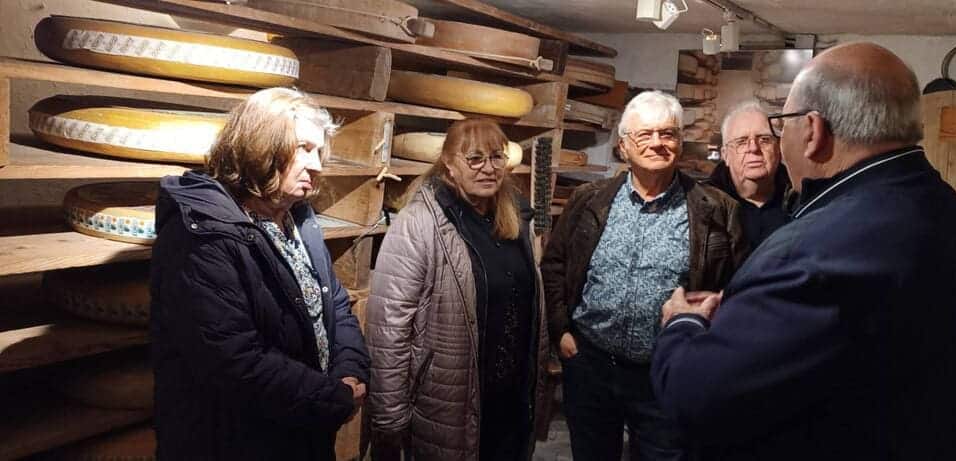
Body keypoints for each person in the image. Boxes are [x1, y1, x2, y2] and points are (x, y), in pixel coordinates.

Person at [653, 42, 956, 461]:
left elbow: (695, 396)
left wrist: (683, 324)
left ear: (813, 130)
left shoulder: (815, 249)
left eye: (780, 125)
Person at [150, 87, 370, 460]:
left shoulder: (298, 219)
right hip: (232, 441)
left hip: (299, 428)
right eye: (303, 147)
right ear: (259, 146)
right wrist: (332, 397)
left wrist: (350, 370)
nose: (316, 165)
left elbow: (334, 304)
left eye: (318, 152)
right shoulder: (202, 234)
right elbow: (235, 360)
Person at [541, 90, 746, 461]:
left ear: (680, 143)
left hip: (666, 372)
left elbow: (735, 290)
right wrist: (561, 331)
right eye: (645, 134)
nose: (657, 143)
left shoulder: (716, 209)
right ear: (623, 146)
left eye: (668, 134)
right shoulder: (589, 200)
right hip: (591, 365)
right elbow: (555, 264)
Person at [366, 119, 548, 461]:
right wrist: (389, 416)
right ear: (449, 164)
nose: (488, 169)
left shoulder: (515, 218)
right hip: (450, 400)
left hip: (510, 398)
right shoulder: (419, 224)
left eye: (496, 157)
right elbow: (389, 327)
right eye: (475, 159)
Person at [707, 100, 792, 248]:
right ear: (725, 155)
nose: (753, 148)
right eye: (741, 141)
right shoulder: (703, 206)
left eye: (764, 140)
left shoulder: (801, 201)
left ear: (778, 149)